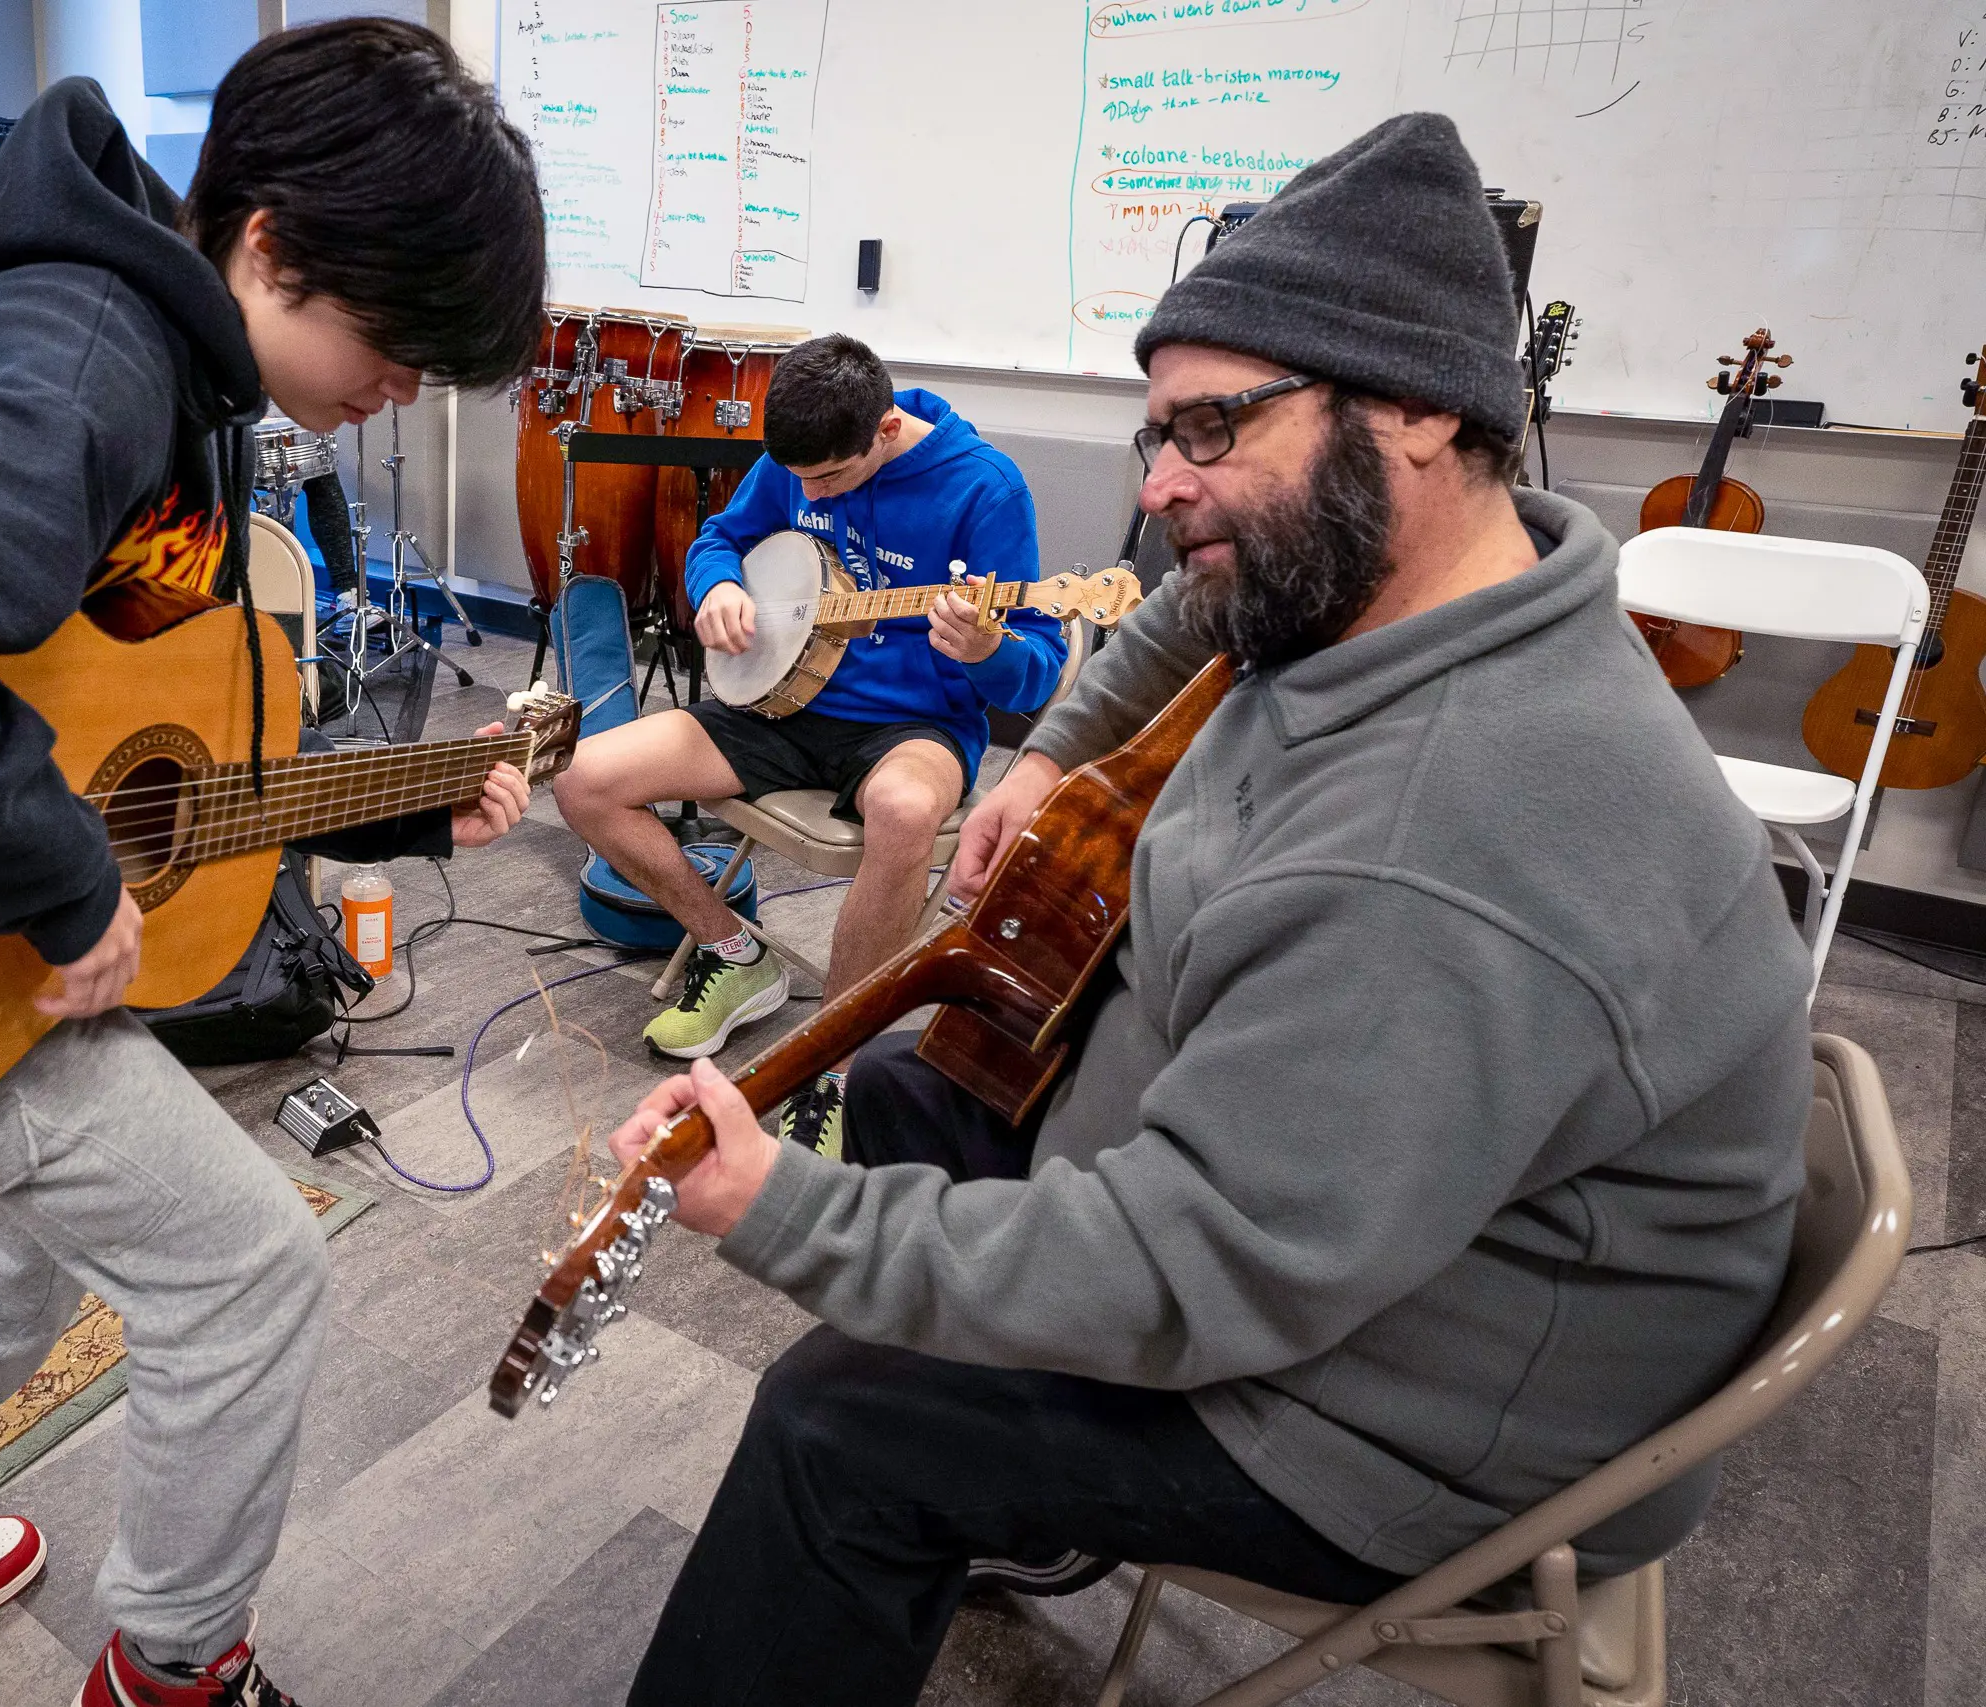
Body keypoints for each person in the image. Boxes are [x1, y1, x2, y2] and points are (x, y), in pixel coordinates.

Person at [601, 114, 1813, 1706]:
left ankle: (939, 1497)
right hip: (1332, 1231)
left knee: (842, 1423)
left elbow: (1198, 1265)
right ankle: (1007, 1512)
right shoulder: (1389, 577)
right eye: (1155, 433)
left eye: (1212, 426)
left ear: (1423, 409)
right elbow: (1177, 615)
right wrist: (1052, 752)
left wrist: (783, 1212)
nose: (1163, 484)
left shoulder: (1451, 836)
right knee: (911, 1082)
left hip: (1403, 1413)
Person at [0, 25, 545, 1707]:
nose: (404, 392)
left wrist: (414, 807)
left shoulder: (177, 362)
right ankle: (176, 1672)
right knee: (247, 1266)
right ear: (272, 244)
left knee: (28, 1226)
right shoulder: (88, 354)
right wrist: (66, 890)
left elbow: (149, 744)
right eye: (397, 342)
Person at [553, 334, 1067, 1153]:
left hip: (913, 726)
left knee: (902, 812)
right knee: (581, 776)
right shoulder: (799, 461)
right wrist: (715, 583)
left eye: (827, 478)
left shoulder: (985, 488)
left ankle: (835, 1060)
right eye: (798, 477)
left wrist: (987, 651)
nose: (808, 491)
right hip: (779, 705)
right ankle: (734, 952)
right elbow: (721, 536)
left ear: (888, 428)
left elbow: (1039, 671)